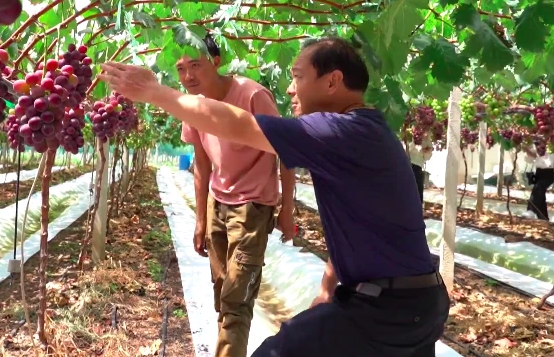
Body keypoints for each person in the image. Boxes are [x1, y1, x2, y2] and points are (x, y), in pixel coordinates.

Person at [101, 36, 449, 356]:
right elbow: (357, 225)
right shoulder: (361, 132)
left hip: (389, 308)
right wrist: (329, 286)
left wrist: (155, 92)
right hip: (411, 304)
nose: (290, 89)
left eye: (297, 77)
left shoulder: (340, 132)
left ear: (332, 81)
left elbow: (239, 124)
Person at [176, 34, 297, 357]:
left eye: (195, 66)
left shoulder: (252, 95)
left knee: (236, 300)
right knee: (223, 293)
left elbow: (285, 149)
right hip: (218, 201)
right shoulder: (192, 105)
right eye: (180, 69)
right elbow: (201, 164)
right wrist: (201, 220)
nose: (187, 76)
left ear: (216, 62)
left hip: (253, 206)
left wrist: (287, 209)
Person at [524, 144, 554, 220]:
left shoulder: (550, 144)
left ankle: (530, 211)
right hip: (539, 172)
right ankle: (543, 218)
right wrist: (527, 150)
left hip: (549, 172)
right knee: (540, 195)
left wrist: (528, 150)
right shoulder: (534, 143)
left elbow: (539, 155)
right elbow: (530, 158)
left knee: (537, 189)